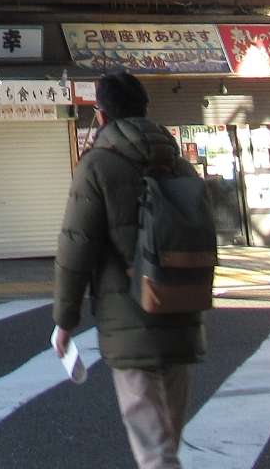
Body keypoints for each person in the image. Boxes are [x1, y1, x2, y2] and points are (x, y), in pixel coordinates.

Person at [52, 70, 206, 469]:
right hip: (182, 310)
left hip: (130, 320)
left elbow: (75, 247)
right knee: (167, 439)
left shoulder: (98, 165)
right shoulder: (177, 160)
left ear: (101, 115)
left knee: (155, 451)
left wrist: (64, 321)